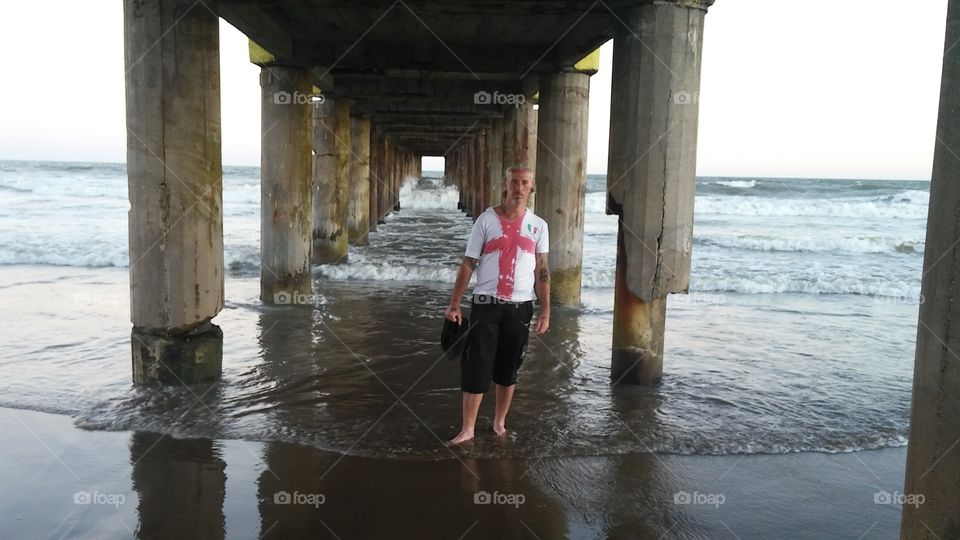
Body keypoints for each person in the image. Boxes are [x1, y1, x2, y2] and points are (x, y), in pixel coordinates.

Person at [444, 166, 550, 445]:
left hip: (520, 307)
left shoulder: (539, 225)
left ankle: (499, 422)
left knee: (508, 368)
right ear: (506, 184)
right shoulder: (486, 220)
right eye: (514, 182)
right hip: (486, 304)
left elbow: (542, 271)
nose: (518, 187)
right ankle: (468, 429)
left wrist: (546, 310)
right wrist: (455, 304)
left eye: (524, 182)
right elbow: (469, 262)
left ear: (532, 187)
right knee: (476, 365)